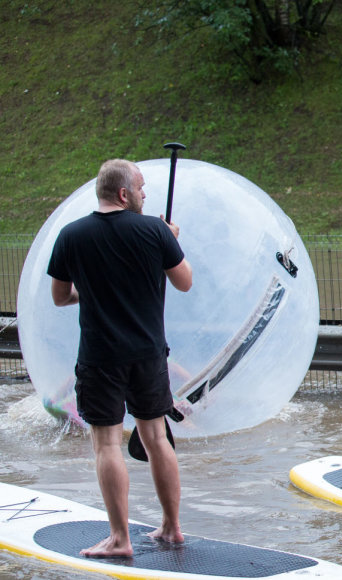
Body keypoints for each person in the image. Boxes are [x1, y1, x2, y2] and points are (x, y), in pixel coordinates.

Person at [47, 159, 193, 557]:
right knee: (157, 438)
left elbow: (61, 297)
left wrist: (90, 293)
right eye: (142, 188)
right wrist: (170, 240)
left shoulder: (71, 235)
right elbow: (184, 281)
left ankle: (120, 539)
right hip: (148, 355)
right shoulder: (155, 231)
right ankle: (172, 527)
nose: (146, 194)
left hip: (100, 357)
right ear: (124, 193)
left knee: (108, 445)